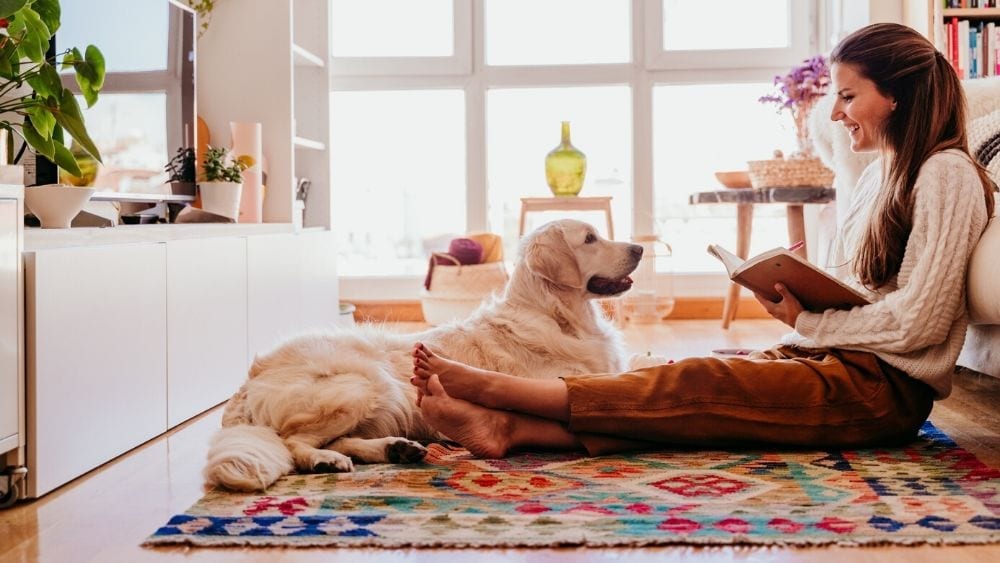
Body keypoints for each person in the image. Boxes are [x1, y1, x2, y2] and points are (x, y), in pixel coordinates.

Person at [409, 23, 997, 459]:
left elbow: (919, 321)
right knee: (696, 386)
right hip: (838, 360)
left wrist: (811, 321)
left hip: (880, 391)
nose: (838, 114)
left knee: (699, 387)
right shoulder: (880, 175)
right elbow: (870, 293)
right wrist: (805, 290)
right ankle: (510, 430)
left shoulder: (945, 173)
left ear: (897, 96)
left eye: (849, 96)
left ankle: (500, 392)